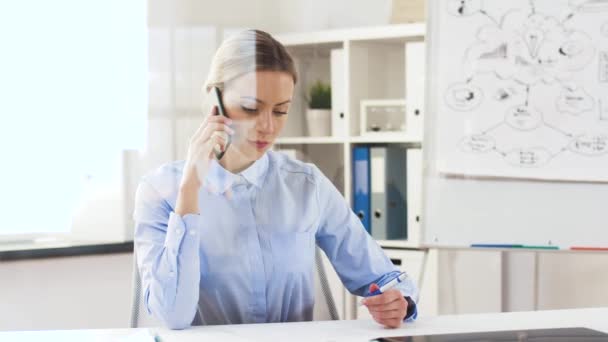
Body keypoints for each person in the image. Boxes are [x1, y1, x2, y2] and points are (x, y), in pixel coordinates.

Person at [133, 29, 418, 330]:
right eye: (251, 108)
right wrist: (190, 187)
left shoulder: (305, 185)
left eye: (281, 111)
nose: (268, 127)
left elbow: (384, 278)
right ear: (213, 100)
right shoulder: (159, 191)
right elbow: (173, 315)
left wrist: (398, 302)